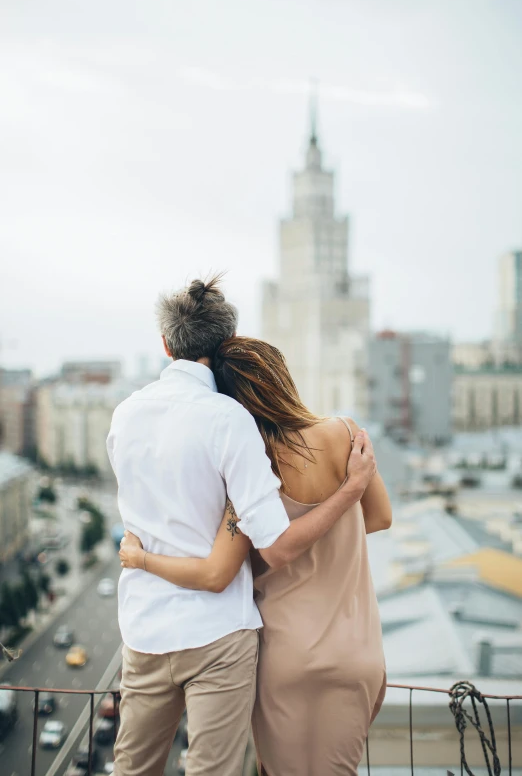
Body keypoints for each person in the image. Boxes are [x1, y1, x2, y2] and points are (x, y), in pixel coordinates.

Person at [108, 276, 377, 776]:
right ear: (225, 342)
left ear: (167, 345)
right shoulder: (229, 419)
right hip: (218, 635)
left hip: (144, 627)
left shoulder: (124, 415)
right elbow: (274, 546)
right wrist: (350, 491)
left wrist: (140, 558)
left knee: (132, 769)